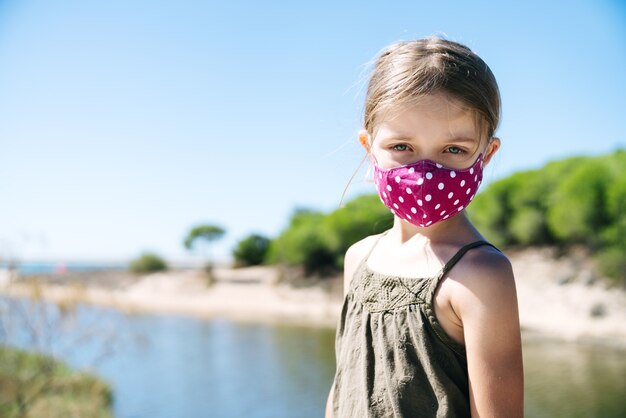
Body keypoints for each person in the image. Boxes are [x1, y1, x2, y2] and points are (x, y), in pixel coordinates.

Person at [325, 37, 523, 418]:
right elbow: (343, 388)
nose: (425, 174)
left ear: (486, 154)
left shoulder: (481, 275)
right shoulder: (358, 257)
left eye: (454, 150)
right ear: (369, 148)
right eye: (402, 146)